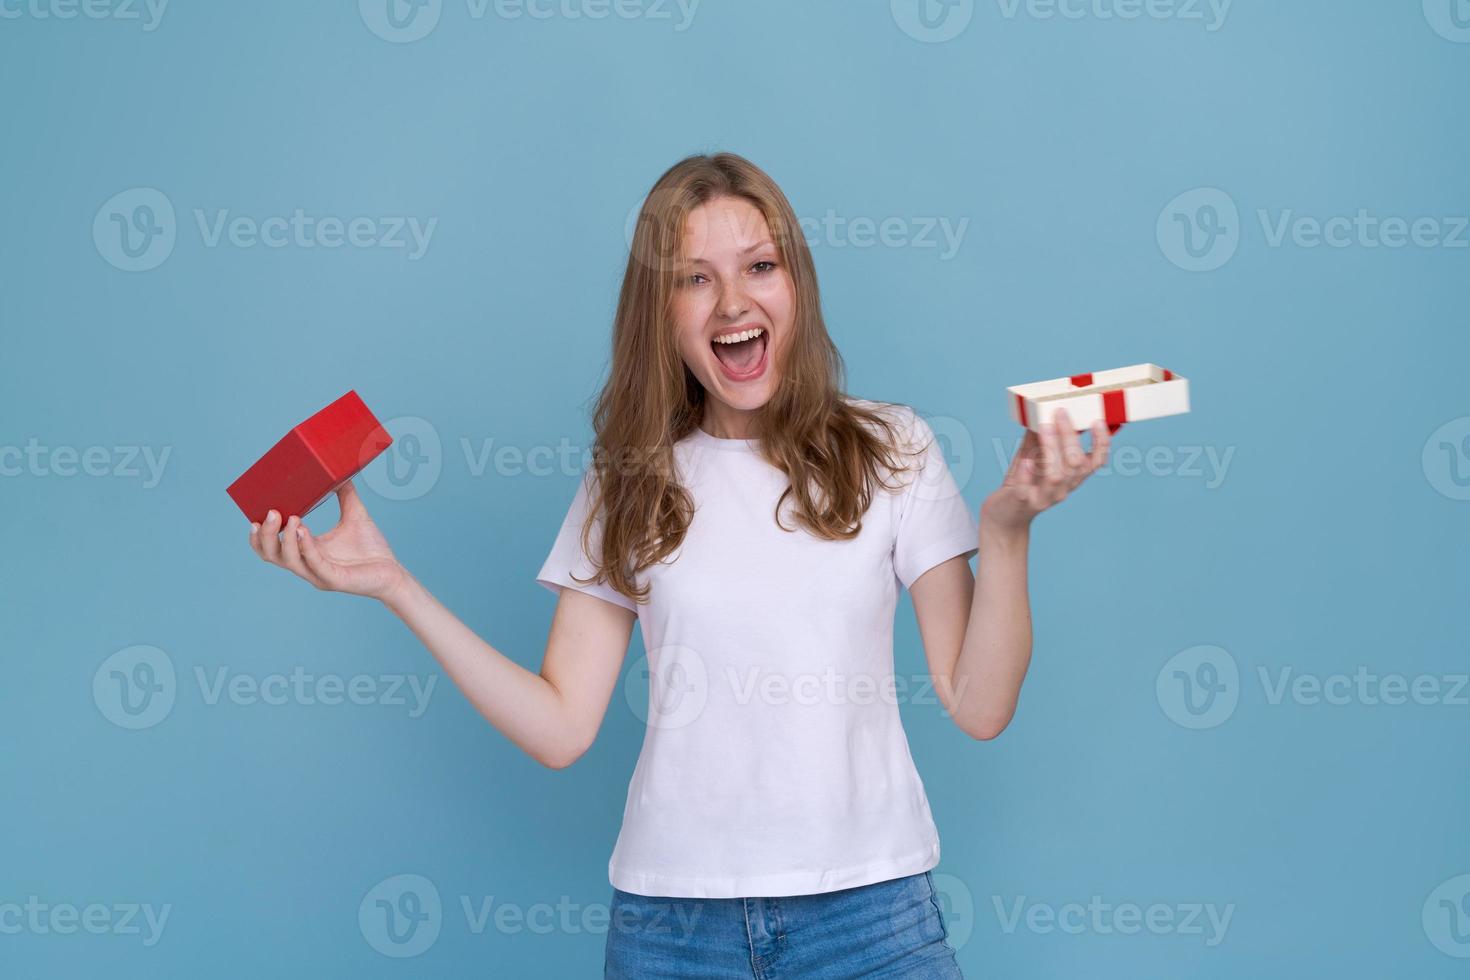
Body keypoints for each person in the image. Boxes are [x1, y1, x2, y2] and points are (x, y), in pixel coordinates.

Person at [246, 152, 1110, 978]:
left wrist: (1006, 532)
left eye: (760, 266)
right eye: (695, 278)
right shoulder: (630, 472)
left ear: (796, 285)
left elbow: (981, 705)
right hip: (672, 932)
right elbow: (561, 728)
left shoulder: (893, 448)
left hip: (869, 920)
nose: (733, 301)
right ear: (660, 311)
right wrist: (395, 585)